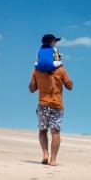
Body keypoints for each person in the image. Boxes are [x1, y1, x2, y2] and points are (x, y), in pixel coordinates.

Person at [29, 38, 73, 166]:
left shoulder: (36, 70)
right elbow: (69, 86)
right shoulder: (61, 69)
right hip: (57, 105)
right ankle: (53, 160)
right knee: (55, 132)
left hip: (43, 104)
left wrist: (40, 82)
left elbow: (31, 89)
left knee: (43, 130)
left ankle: (45, 155)